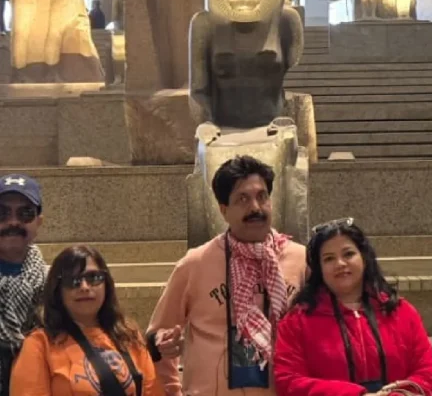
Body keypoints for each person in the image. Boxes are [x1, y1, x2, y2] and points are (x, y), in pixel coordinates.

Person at [147, 155, 307, 395]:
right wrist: (172, 388)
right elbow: (157, 336)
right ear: (224, 210)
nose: (255, 208)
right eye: (242, 199)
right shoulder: (195, 264)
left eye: (262, 197)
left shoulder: (302, 260)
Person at [273, 218, 432, 396]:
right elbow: (288, 381)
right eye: (329, 258)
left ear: (364, 257)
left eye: (348, 254)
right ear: (318, 269)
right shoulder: (297, 322)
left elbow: (428, 370)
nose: (340, 264)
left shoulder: (402, 312)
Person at [10, 245, 163, 395]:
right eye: (72, 281)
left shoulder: (128, 336)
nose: (84, 287)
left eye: (93, 278)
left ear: (106, 284)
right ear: (58, 290)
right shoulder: (39, 345)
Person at [0, 174, 47, 396]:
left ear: (39, 222)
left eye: (25, 213)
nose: (13, 222)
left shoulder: (57, 286)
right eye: (2, 213)